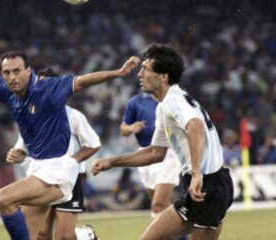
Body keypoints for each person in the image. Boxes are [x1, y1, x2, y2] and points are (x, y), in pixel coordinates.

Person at [0, 50, 140, 240]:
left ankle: (85, 236)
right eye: (6, 72)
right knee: (38, 236)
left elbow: (82, 80)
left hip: (59, 170)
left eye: (16, 71)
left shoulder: (49, 89)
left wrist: (118, 73)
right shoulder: (6, 89)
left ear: (28, 70)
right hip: (38, 169)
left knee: (5, 198)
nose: (11, 77)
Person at [91, 45, 233, 240]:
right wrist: (112, 162)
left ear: (164, 76)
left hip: (206, 185)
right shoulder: (167, 105)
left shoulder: (172, 101)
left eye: (146, 69)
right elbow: (155, 153)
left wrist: (196, 173)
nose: (139, 74)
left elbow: (196, 126)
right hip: (215, 183)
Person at [8, 104, 101, 240]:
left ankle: (85, 236)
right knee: (42, 234)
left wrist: (72, 161)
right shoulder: (29, 117)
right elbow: (22, 149)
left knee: (64, 237)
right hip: (40, 178)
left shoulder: (73, 115)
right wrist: (17, 155)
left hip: (69, 179)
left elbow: (93, 144)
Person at [120, 93, 181, 219]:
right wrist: (131, 127)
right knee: (163, 206)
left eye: (145, 72)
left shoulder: (171, 98)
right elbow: (123, 129)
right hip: (145, 155)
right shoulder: (135, 102)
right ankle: (183, 237)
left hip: (167, 153)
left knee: (158, 206)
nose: (141, 75)